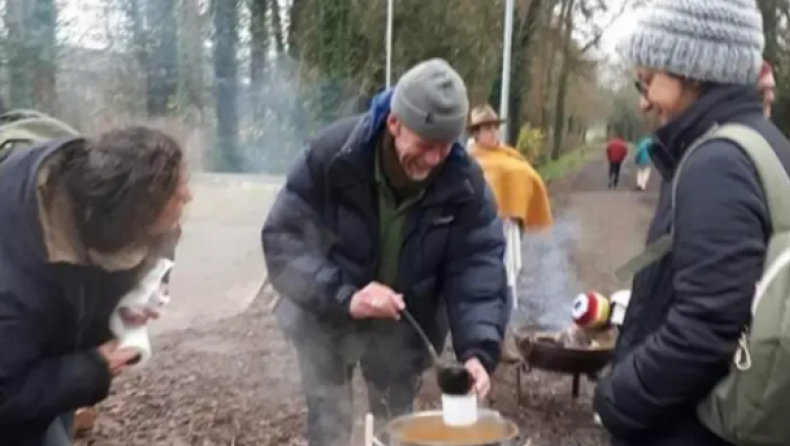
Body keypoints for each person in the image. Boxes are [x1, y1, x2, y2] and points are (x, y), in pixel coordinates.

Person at [262, 59, 510, 446]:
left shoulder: (464, 184)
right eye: (425, 145)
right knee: (329, 426)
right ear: (394, 123)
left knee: (396, 429)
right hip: (327, 319)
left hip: (405, 330)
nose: (433, 160)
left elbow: (477, 269)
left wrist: (478, 350)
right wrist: (348, 296)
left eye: (446, 147)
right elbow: (282, 241)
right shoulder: (333, 156)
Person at [593, 1, 790, 446]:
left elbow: (706, 328)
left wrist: (617, 399)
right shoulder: (767, 144)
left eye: (649, 82)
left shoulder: (716, 161)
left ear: (694, 71)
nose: (643, 102)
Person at [0, 126, 191, 446]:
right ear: (134, 220)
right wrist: (92, 367)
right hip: (13, 376)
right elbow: (6, 394)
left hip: (46, 350)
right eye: (178, 193)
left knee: (55, 409)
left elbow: (164, 240)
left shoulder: (109, 191)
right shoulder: (15, 285)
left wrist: (146, 290)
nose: (189, 196)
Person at [466, 104, 552, 362]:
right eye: (487, 129)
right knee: (477, 286)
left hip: (507, 228)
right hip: (477, 231)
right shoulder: (470, 159)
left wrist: (519, 210)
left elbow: (525, 177)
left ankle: (499, 341)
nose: (493, 133)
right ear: (476, 133)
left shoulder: (509, 155)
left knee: (505, 283)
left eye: (495, 127)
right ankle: (472, 344)